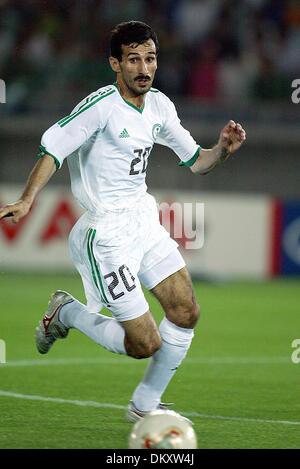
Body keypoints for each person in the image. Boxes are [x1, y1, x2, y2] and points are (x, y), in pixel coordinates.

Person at [0, 21, 246, 422]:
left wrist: (222, 149)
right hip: (106, 235)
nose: (144, 68)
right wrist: (27, 199)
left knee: (186, 312)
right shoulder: (100, 106)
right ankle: (67, 313)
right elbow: (53, 150)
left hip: (143, 220)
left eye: (150, 58)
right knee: (143, 343)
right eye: (133, 59)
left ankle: (144, 407)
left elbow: (197, 162)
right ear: (115, 63)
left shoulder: (160, 106)